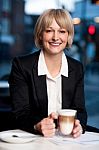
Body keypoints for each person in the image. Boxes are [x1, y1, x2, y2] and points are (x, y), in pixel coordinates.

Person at [9, 9, 87, 138]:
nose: (56, 37)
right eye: (49, 31)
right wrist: (37, 125)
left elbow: (80, 111)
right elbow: (19, 113)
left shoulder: (77, 68)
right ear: (40, 34)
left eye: (62, 31)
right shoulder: (22, 66)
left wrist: (80, 125)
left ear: (68, 36)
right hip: (33, 136)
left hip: (66, 138)